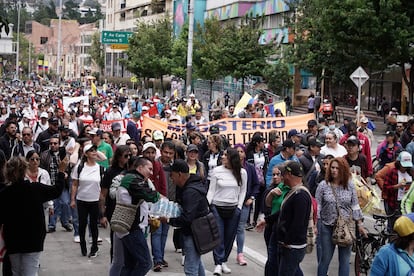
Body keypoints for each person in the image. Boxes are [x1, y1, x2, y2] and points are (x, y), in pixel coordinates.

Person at [0, 156, 67, 276]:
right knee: (30, 271)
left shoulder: (5, 193)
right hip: (34, 238)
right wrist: (61, 173)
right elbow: (56, 190)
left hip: (13, 239)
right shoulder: (35, 188)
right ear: (24, 170)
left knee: (16, 271)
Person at [316, 157, 367, 276]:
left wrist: (360, 225)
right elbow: (317, 206)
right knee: (325, 259)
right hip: (327, 226)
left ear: (343, 170)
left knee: (344, 261)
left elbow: (355, 206)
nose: (334, 170)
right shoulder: (323, 185)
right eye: (332, 168)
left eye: (337, 168)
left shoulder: (349, 185)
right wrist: (315, 225)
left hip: (345, 226)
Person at [161, 159, 208, 276]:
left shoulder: (190, 191)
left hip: (193, 232)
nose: (171, 179)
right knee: (197, 265)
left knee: (190, 269)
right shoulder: (190, 185)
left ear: (179, 174)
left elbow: (187, 218)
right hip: (196, 231)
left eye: (172, 175)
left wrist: (168, 220)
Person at [116, 157, 161, 275]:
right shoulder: (133, 180)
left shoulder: (130, 178)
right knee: (145, 263)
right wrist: (158, 196)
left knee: (130, 264)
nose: (151, 173)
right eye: (149, 169)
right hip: (132, 228)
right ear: (140, 167)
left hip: (126, 226)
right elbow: (150, 195)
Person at [207, 148, 247, 275]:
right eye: (222, 154)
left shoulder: (242, 172)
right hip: (217, 207)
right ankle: (218, 263)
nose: (222, 157)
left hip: (233, 208)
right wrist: (207, 206)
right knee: (218, 236)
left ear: (232, 158)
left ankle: (224, 261)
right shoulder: (216, 171)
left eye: (225, 155)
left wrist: (239, 207)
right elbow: (211, 190)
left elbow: (243, 191)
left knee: (230, 236)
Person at [99, 145, 131, 263]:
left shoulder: (131, 171)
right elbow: (102, 194)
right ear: (118, 157)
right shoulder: (110, 172)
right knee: (116, 244)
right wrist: (102, 215)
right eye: (126, 156)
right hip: (114, 211)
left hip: (130, 211)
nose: (128, 158)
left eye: (130, 156)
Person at [70, 144, 103, 258]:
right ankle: (83, 245)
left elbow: (102, 187)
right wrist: (72, 199)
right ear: (86, 153)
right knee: (82, 224)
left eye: (95, 150)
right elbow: (75, 184)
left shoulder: (100, 168)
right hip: (82, 199)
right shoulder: (79, 167)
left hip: (94, 200)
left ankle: (94, 247)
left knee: (94, 225)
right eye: (91, 151)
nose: (94, 152)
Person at [234, 143, 260, 266]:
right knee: (229, 229)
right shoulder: (229, 167)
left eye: (241, 151)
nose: (239, 154)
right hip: (231, 203)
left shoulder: (249, 168)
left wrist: (252, 197)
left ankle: (240, 254)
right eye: (237, 151)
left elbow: (256, 184)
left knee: (240, 228)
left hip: (245, 203)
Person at [383, 151, 413, 232]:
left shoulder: (411, 173)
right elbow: (386, 187)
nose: (405, 168)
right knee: (393, 226)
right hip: (393, 202)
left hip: (406, 202)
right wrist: (398, 186)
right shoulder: (392, 171)